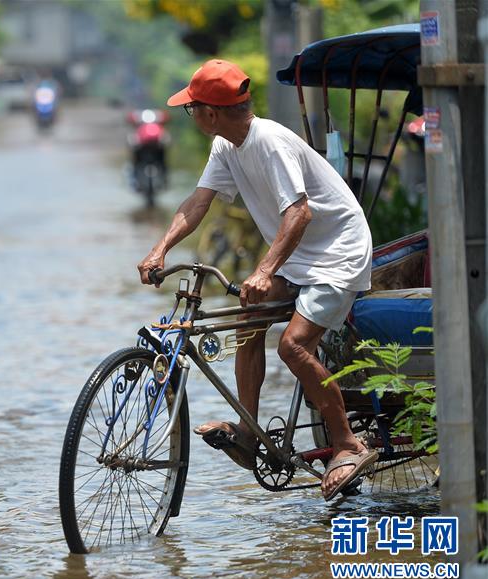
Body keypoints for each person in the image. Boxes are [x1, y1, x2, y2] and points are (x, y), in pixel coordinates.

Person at [136, 60, 375, 501]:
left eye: (193, 109)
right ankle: (248, 431)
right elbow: (199, 201)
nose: (193, 118)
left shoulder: (269, 142)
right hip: (298, 253)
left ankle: (347, 443)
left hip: (338, 252)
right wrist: (161, 248)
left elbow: (299, 212)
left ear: (211, 113)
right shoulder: (227, 145)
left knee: (293, 345)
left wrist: (265, 270)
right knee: (249, 321)